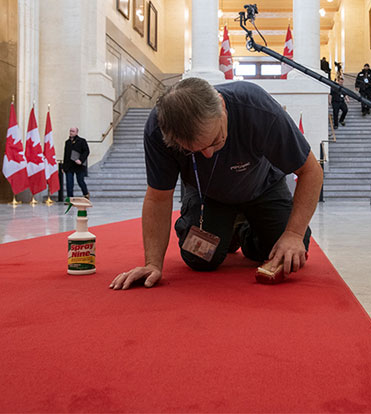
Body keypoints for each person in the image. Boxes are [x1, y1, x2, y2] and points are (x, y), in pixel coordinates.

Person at [109, 78, 323, 290]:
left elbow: (311, 171)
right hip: (207, 195)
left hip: (263, 187)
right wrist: (152, 264)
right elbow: (158, 197)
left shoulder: (257, 107)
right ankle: (225, 228)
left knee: (289, 251)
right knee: (199, 259)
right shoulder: (159, 128)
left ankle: (242, 231)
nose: (209, 154)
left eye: (215, 141)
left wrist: (293, 234)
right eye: (195, 151)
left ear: (221, 105)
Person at [63, 127, 90, 199]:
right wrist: (63, 166)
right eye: (70, 131)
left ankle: (86, 194)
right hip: (69, 166)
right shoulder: (67, 142)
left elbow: (86, 151)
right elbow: (66, 155)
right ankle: (70, 198)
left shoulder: (82, 141)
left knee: (80, 181)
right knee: (69, 182)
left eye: (73, 131)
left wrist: (81, 160)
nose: (71, 132)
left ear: (77, 132)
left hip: (79, 165)